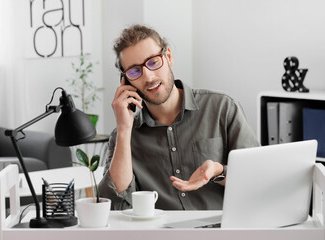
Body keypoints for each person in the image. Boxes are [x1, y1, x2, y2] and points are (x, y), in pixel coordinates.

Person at [98, 24, 259, 210]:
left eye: (153, 62)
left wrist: (218, 171)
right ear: (125, 81)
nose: (148, 77)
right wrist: (125, 130)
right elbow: (114, 206)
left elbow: (255, 178)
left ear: (168, 56)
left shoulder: (222, 108)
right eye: (135, 71)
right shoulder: (122, 137)